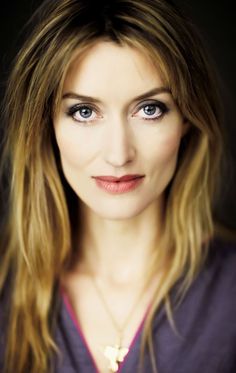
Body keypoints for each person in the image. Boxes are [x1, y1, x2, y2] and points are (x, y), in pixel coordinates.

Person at [0, 0, 235, 372]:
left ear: (188, 118)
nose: (118, 154)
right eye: (84, 111)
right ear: (47, 126)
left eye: (150, 109)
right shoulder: (5, 290)